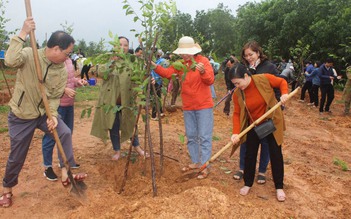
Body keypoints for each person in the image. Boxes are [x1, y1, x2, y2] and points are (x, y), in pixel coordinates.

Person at [0, 17, 87, 208]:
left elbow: (55, 96)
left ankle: (66, 171)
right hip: (22, 115)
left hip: (42, 113)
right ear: (55, 49)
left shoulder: (61, 69)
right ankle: (7, 189)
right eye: (67, 53)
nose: (69, 57)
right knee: (17, 155)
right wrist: (23, 32)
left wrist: (53, 116)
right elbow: (10, 61)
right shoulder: (30, 55)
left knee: (63, 132)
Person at [152, 36, 214, 179]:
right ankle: (195, 162)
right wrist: (155, 66)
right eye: (182, 52)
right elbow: (168, 73)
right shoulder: (180, 64)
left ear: (193, 51)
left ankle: (204, 165)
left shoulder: (203, 62)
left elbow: (210, 80)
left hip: (203, 105)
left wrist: (203, 71)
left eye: (186, 52)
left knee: (204, 136)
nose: (184, 55)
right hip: (188, 106)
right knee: (192, 136)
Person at [230, 63, 288, 202]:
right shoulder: (238, 93)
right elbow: (237, 114)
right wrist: (235, 132)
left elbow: (281, 81)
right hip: (253, 125)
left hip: (271, 121)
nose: (237, 86)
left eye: (238, 83)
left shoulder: (263, 79)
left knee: (275, 153)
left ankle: (279, 186)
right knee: (250, 154)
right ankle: (247, 183)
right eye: (235, 84)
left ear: (245, 76)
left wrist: (285, 93)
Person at [90, 36, 148, 161]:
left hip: (127, 102)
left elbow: (139, 78)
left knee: (131, 124)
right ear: (115, 47)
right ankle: (117, 150)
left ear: (128, 47)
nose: (123, 47)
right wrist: (111, 62)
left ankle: (137, 147)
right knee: (113, 125)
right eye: (120, 45)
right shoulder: (108, 60)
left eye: (125, 45)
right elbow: (97, 72)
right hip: (111, 103)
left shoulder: (132, 62)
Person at [233, 41, 278, 183]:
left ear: (258, 52)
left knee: (265, 142)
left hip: (265, 114)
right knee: (245, 141)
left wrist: (275, 108)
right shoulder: (245, 68)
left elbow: (277, 87)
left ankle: (262, 171)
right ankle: (243, 168)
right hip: (248, 112)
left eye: (251, 54)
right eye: (246, 55)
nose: (249, 57)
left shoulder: (269, 67)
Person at [41, 58, 88, 181]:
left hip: (69, 105)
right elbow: (47, 84)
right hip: (57, 106)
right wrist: (63, 90)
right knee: (51, 137)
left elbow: (70, 80)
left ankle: (65, 162)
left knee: (66, 134)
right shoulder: (51, 61)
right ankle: (47, 167)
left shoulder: (68, 60)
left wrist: (78, 82)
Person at [150, 49, 167, 120]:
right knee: (158, 97)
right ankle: (160, 112)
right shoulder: (162, 61)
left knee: (155, 97)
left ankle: (154, 115)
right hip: (158, 81)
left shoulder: (159, 61)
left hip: (155, 81)